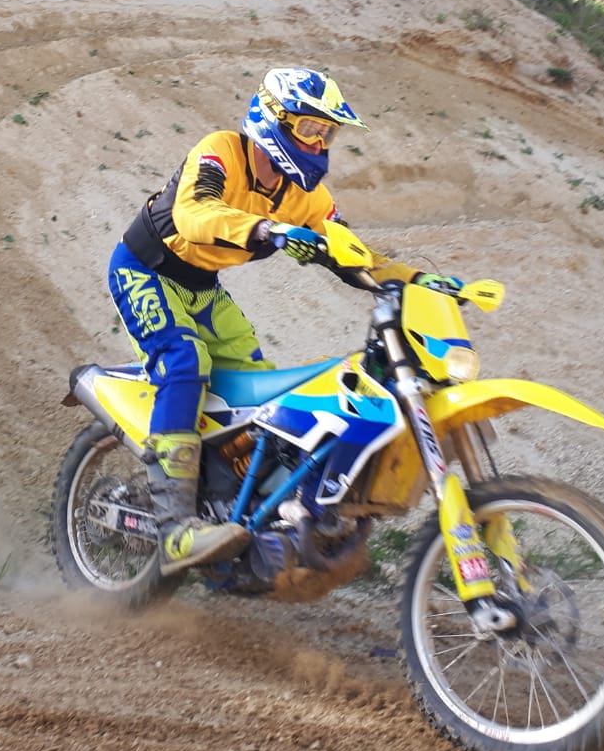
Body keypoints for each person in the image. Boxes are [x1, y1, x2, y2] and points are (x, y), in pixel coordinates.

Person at [107, 67, 443, 575]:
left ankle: (238, 512)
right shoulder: (221, 151)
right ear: (274, 119)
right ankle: (175, 528)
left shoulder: (307, 197)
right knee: (184, 360)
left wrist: (424, 281)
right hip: (145, 269)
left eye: (327, 133)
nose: (319, 143)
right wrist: (268, 228)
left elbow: (352, 253)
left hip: (202, 288)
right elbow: (194, 214)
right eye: (310, 128)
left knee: (258, 398)